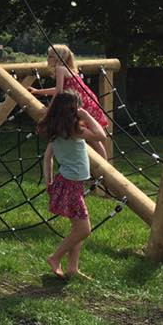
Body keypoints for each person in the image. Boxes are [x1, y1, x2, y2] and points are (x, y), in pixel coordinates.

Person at [39, 90, 107, 279]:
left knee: (77, 230)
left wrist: (49, 181)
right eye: (78, 107)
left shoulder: (58, 131)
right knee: (84, 230)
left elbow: (47, 158)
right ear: (72, 110)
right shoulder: (74, 131)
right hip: (70, 186)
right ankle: (55, 257)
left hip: (66, 183)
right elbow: (101, 136)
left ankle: (72, 269)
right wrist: (86, 115)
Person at [31, 44, 109, 159]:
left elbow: (59, 92)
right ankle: (105, 165)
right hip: (87, 101)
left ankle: (104, 166)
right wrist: (38, 91)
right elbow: (60, 89)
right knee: (92, 137)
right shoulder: (69, 69)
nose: (48, 58)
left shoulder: (60, 69)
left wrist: (50, 110)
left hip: (82, 103)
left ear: (59, 58)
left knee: (90, 137)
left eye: (51, 56)